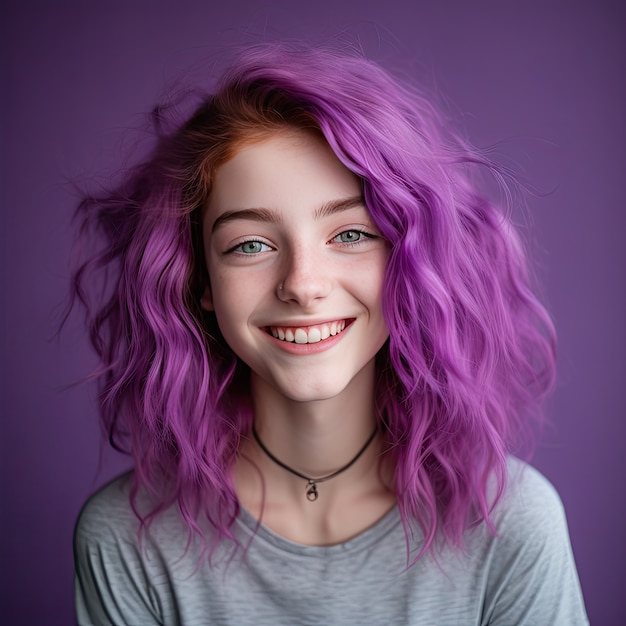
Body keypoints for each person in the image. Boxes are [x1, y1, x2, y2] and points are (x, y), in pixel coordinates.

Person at [71, 43, 588, 625]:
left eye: (350, 235)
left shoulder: (511, 523)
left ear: (410, 262)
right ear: (200, 280)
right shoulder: (126, 541)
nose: (303, 284)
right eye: (251, 245)